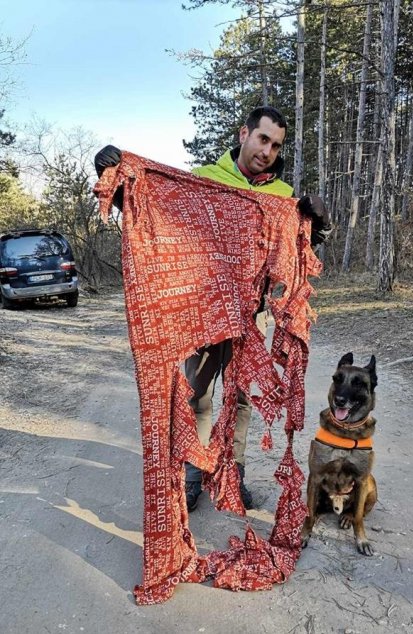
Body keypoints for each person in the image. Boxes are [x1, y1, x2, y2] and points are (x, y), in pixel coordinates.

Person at [95, 105, 333, 512]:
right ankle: (193, 472)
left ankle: (231, 472)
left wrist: (317, 228)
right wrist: (118, 185)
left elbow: (293, 251)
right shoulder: (205, 180)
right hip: (205, 308)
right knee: (198, 394)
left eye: (276, 145)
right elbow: (161, 214)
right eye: (263, 139)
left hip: (252, 313)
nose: (268, 151)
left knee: (240, 398)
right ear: (244, 134)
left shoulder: (281, 198)